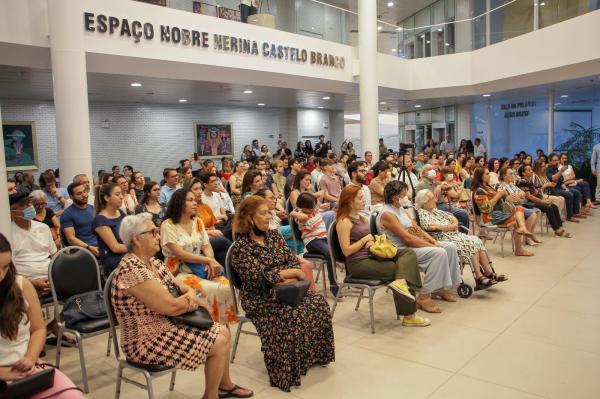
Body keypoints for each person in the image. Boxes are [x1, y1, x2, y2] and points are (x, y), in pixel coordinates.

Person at [111, 214, 252, 399]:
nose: (158, 236)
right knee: (218, 341)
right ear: (137, 239)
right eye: (153, 232)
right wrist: (191, 300)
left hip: (166, 324)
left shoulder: (152, 262)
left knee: (223, 330)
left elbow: (180, 286)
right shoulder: (132, 271)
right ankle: (211, 396)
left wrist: (189, 295)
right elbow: (171, 307)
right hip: (145, 340)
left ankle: (223, 386)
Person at [230, 196, 334, 391]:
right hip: (259, 297)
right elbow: (258, 278)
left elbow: (294, 264)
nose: (268, 217)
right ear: (249, 218)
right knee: (289, 313)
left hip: (287, 289)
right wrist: (290, 274)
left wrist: (285, 275)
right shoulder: (241, 248)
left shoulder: (274, 236)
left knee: (318, 303)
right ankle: (286, 370)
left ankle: (311, 357)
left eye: (269, 212)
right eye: (263, 213)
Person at [0, 233, 84, 399]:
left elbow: (38, 329)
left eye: (5, 267)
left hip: (24, 368)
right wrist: (3, 373)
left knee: (72, 396)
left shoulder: (21, 285)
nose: (1, 276)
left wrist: (31, 359)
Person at [335, 185, 431, 325]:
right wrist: (364, 241)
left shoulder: (361, 218)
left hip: (371, 255)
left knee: (408, 253)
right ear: (350, 202)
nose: (364, 200)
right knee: (402, 271)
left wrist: (371, 242)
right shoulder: (344, 222)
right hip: (358, 263)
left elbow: (368, 238)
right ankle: (409, 316)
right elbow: (346, 251)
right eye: (360, 198)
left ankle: (404, 296)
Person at [378, 181, 461, 313]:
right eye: (404, 195)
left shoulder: (399, 208)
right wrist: (433, 246)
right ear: (395, 197)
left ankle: (439, 288)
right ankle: (424, 297)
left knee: (449, 247)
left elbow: (416, 228)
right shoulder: (387, 214)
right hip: (401, 250)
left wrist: (433, 241)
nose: (407, 197)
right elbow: (407, 238)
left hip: (411, 244)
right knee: (438, 253)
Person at [160, 188, 236, 325]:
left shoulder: (197, 222)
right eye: (190, 200)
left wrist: (210, 261)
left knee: (226, 286)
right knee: (212, 288)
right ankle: (209, 325)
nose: (195, 203)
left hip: (200, 266)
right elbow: (180, 254)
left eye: (195, 200)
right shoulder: (167, 225)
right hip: (178, 272)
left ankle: (222, 325)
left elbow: (206, 246)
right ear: (179, 203)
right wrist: (207, 260)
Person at [415, 190, 505, 287]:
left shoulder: (435, 210)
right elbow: (430, 227)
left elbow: (452, 217)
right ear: (424, 202)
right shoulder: (422, 213)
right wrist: (449, 227)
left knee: (476, 239)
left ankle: (488, 273)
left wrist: (454, 224)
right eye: (432, 198)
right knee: (471, 243)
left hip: (453, 234)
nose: (436, 200)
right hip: (442, 238)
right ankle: (479, 276)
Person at [471, 167, 534, 257]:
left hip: (498, 213)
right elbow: (486, 209)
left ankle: (522, 230)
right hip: (489, 217)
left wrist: (505, 197)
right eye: (487, 174)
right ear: (480, 176)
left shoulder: (489, 187)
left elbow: (499, 202)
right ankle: (519, 248)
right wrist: (498, 195)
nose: (489, 176)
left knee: (519, 209)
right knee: (517, 219)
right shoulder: (479, 191)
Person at [294, 192, 339, 296]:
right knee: (329, 253)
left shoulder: (313, 209)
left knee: (337, 248)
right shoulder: (301, 216)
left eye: (313, 206)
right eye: (310, 208)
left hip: (323, 238)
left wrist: (312, 197)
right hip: (312, 241)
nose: (313, 209)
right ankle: (333, 284)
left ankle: (345, 277)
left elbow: (321, 193)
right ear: (302, 207)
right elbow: (296, 214)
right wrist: (293, 212)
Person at [188, 178, 232, 267]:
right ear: (188, 192)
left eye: (200, 188)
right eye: (196, 189)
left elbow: (212, 226)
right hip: (199, 241)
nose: (200, 191)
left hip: (211, 238)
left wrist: (213, 232)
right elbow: (191, 232)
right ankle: (239, 253)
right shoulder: (189, 210)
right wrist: (211, 233)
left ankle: (230, 278)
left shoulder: (205, 206)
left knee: (222, 254)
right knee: (222, 240)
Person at [517, 165, 570, 238]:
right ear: (523, 173)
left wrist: (543, 199)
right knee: (548, 208)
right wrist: (542, 202)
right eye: (528, 170)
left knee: (554, 206)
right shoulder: (522, 181)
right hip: (527, 203)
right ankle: (557, 230)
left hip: (533, 200)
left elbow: (535, 193)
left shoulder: (529, 181)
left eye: (531, 169)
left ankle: (560, 227)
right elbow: (529, 196)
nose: (531, 171)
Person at [497, 167, 542, 246]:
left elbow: (523, 194)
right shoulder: (501, 186)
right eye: (510, 174)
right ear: (504, 176)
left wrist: (519, 195)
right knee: (532, 214)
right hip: (510, 209)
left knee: (538, 211)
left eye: (513, 174)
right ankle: (526, 238)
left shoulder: (511, 184)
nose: (513, 175)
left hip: (519, 205)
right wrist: (519, 196)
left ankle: (530, 234)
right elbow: (511, 199)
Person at [416, 165, 469, 230]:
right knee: (462, 214)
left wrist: (441, 186)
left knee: (464, 214)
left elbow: (449, 187)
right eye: (429, 169)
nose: (433, 171)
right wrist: (441, 186)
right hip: (433, 207)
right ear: (423, 173)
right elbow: (429, 201)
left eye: (433, 169)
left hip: (443, 204)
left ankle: (462, 234)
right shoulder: (421, 185)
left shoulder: (435, 182)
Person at [93, 182, 127, 275]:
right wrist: (137, 247)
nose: (121, 197)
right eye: (117, 194)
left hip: (127, 255)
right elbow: (115, 248)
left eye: (121, 193)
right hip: (114, 261)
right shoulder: (100, 220)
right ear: (107, 198)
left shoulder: (121, 212)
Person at [61, 182, 99, 255]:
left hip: (99, 246)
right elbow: (70, 239)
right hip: (83, 251)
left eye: (84, 191)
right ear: (71, 197)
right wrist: (89, 247)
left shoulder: (92, 209)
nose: (84, 195)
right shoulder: (67, 214)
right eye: (79, 194)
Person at [546, 153, 585, 221]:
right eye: (554, 160)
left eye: (557, 160)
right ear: (550, 161)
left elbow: (561, 182)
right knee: (569, 194)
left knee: (576, 192)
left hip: (559, 188)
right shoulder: (548, 169)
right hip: (552, 189)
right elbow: (553, 178)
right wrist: (561, 171)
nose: (557, 162)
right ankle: (569, 216)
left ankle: (575, 212)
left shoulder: (556, 169)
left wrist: (566, 188)